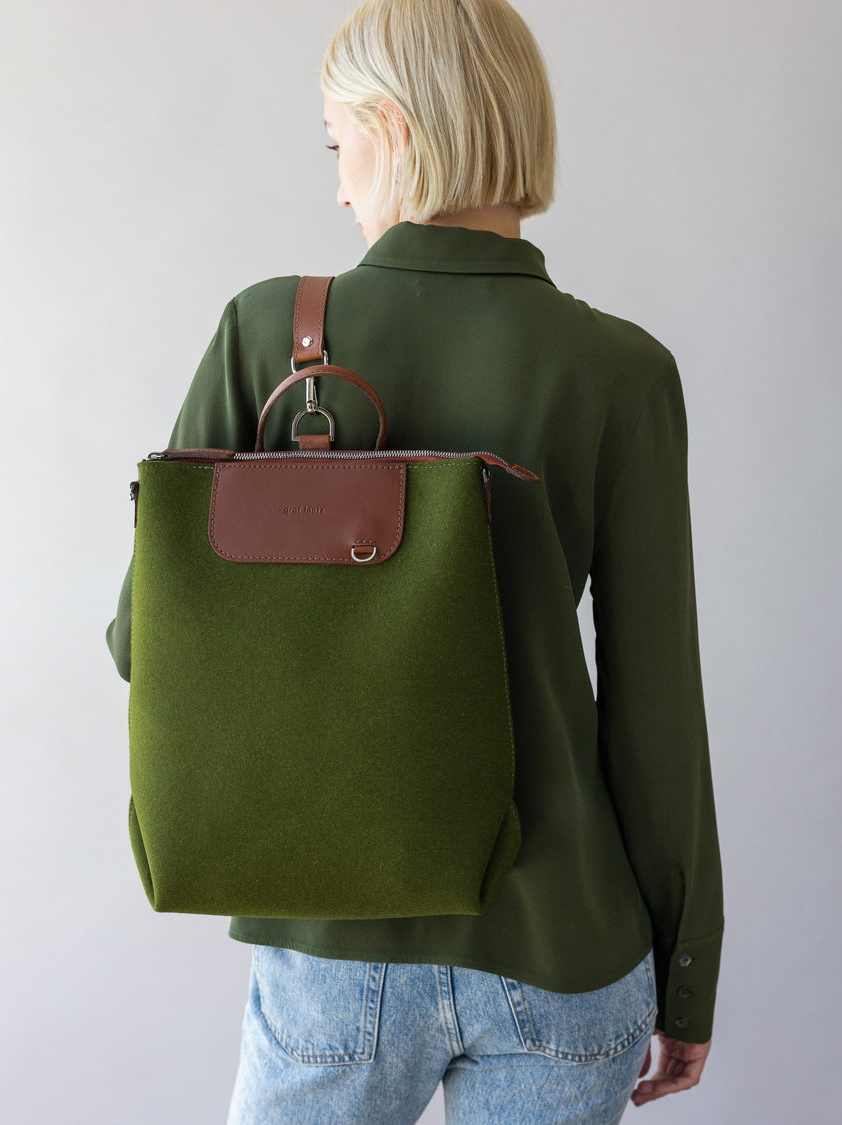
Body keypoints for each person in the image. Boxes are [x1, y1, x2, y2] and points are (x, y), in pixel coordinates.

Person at [106, 1, 724, 1121]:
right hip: (565, 952)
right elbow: (657, 713)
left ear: (391, 127)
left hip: (333, 949)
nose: (340, 186)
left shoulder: (267, 334)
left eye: (339, 146)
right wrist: (689, 973)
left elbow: (140, 641)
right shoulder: (624, 371)